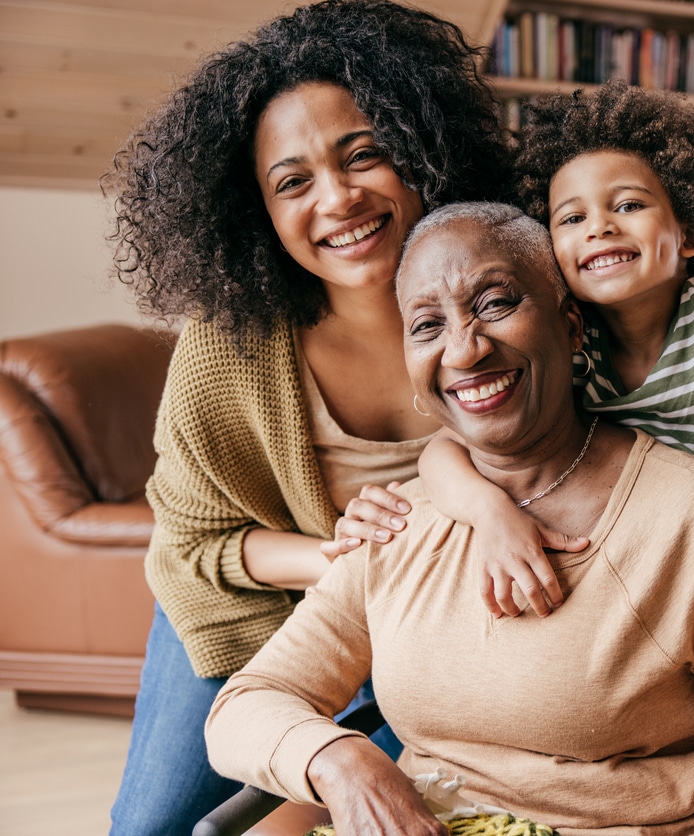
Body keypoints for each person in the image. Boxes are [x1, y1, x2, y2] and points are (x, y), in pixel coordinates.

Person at [205, 202, 694, 835]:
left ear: (569, 324)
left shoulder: (686, 516)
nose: (464, 349)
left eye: (495, 303)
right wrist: (338, 758)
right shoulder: (397, 519)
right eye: (427, 324)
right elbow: (246, 705)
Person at [102, 2, 512, 832]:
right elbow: (191, 548)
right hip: (255, 614)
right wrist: (340, 561)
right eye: (293, 181)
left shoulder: (513, 300)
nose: (338, 198)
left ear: (425, 154)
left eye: (365, 155)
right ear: (255, 210)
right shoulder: (228, 352)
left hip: (443, 630)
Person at [417, 80, 694, 652]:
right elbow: (444, 449)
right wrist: (490, 512)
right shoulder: (566, 342)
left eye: (628, 205)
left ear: (693, 231)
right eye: (570, 218)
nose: (599, 226)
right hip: (642, 610)